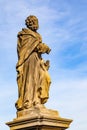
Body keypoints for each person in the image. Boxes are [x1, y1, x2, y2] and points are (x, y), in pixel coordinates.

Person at [15, 15, 51, 111]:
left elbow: (37, 47)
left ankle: (37, 100)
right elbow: (25, 48)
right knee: (31, 80)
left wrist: (43, 63)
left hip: (38, 60)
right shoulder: (24, 34)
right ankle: (29, 101)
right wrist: (41, 47)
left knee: (44, 78)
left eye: (37, 21)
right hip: (29, 60)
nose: (36, 23)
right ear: (30, 23)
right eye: (34, 21)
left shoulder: (38, 35)